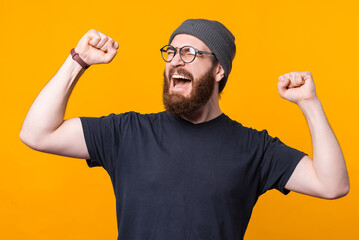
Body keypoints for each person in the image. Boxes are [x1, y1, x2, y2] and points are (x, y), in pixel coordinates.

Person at [20, 19, 349, 240]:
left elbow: (333, 184)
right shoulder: (127, 133)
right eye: (171, 52)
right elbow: (37, 133)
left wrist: (310, 104)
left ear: (218, 70)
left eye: (190, 53)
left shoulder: (254, 148)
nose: (176, 60)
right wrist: (78, 61)